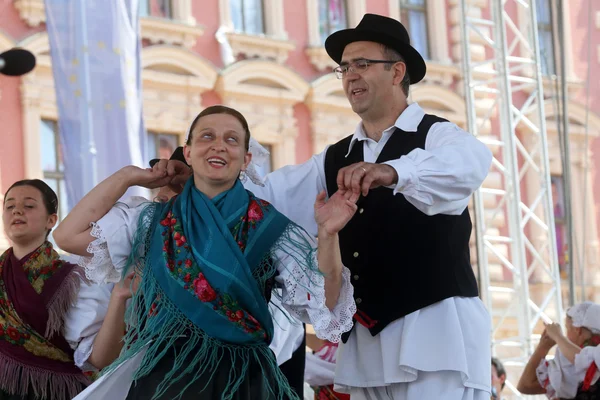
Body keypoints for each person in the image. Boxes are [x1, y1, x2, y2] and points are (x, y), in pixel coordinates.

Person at [159, 13, 492, 399]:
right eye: (345, 67)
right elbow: (269, 198)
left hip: (435, 335)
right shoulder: (335, 158)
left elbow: (470, 165)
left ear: (398, 71)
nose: (350, 75)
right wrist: (204, 179)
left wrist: (391, 171)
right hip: (367, 342)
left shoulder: (436, 135)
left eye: (362, 64)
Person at [53, 105, 356, 400]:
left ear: (246, 158)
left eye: (232, 139)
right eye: (207, 137)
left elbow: (326, 299)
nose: (219, 146)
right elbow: (68, 236)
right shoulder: (150, 220)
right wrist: (128, 177)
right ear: (187, 152)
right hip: (165, 378)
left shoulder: (271, 228)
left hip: (242, 380)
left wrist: (328, 234)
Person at [0, 179, 90, 399]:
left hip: (53, 390)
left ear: (51, 220)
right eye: (9, 206)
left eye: (28, 205)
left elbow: (92, 351)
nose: (17, 211)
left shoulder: (72, 279)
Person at [517, 302, 600, 399]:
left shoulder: (568, 364)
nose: (566, 335)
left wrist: (548, 343)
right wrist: (544, 346)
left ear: (578, 330)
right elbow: (524, 386)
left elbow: (526, 386)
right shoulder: (565, 363)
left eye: (567, 328)